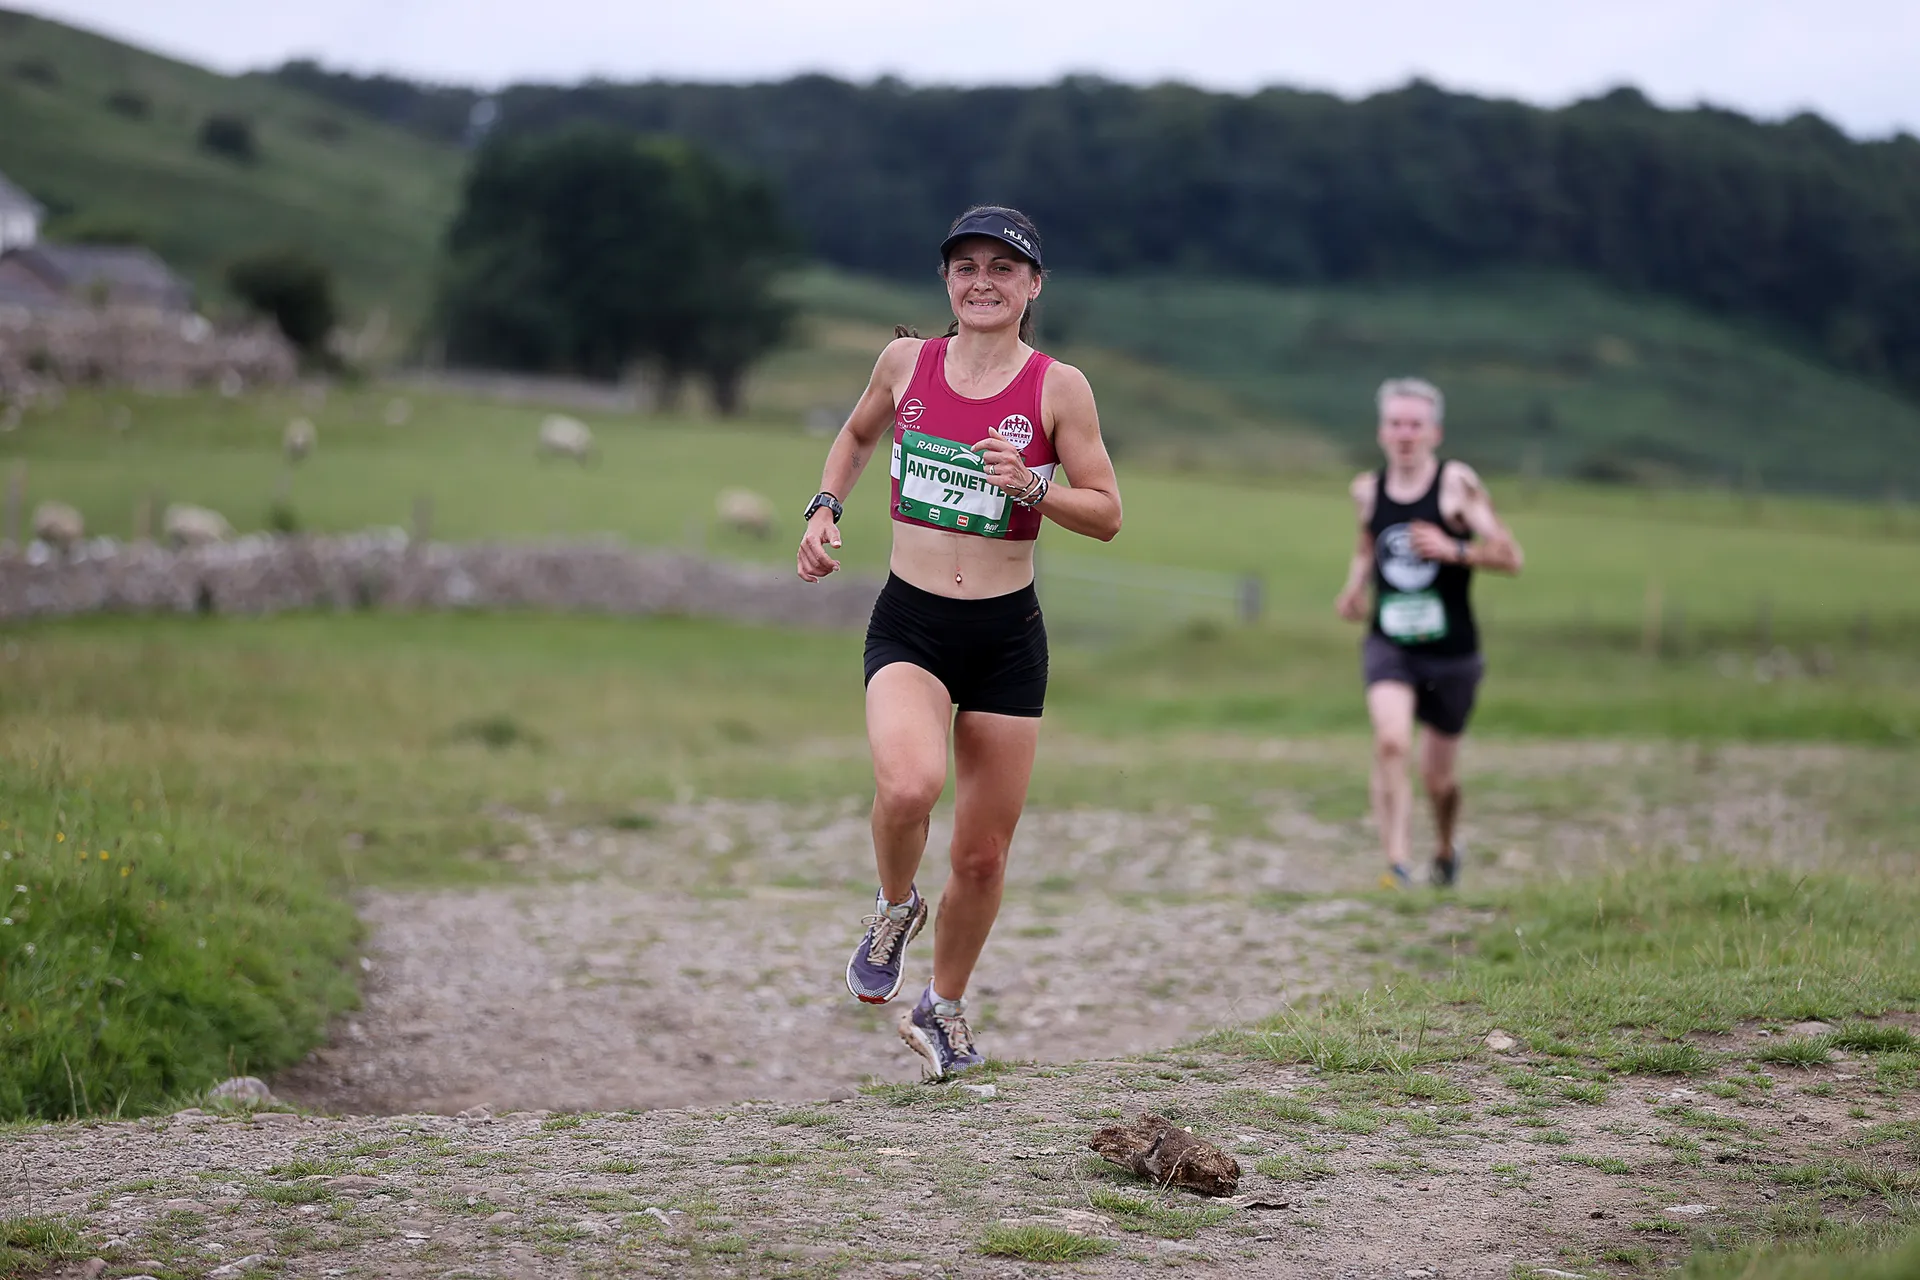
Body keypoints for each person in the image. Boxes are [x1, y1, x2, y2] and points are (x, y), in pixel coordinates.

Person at [795, 206, 1123, 1079]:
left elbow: (1107, 514)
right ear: (946, 280)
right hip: (912, 621)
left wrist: (1033, 489)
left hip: (1008, 636)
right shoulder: (906, 363)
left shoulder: (1060, 388)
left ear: (1033, 286)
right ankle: (895, 905)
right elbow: (860, 432)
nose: (983, 281)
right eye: (966, 266)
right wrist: (825, 506)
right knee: (908, 786)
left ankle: (941, 1008)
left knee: (981, 855)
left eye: (1003, 269)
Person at [1334, 378, 1523, 888]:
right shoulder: (1366, 490)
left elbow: (1511, 556)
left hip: (1453, 651)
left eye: (1415, 424)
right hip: (1390, 642)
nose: (1405, 434)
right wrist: (1353, 587)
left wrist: (1454, 549)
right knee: (1391, 741)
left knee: (1440, 781)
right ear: (1381, 431)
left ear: (1435, 432)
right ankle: (1396, 864)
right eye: (1396, 423)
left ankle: (1444, 847)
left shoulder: (1456, 485)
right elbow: (1367, 545)